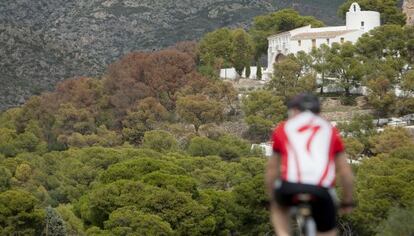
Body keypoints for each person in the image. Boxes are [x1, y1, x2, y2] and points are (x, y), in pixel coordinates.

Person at [265, 93, 354, 236]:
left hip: (289, 187)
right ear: (318, 111)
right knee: (328, 231)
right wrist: (348, 200)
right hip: (321, 191)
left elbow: (272, 170)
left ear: (294, 110)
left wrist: (271, 198)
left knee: (278, 208)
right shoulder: (329, 130)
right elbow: (345, 172)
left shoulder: (284, 128)